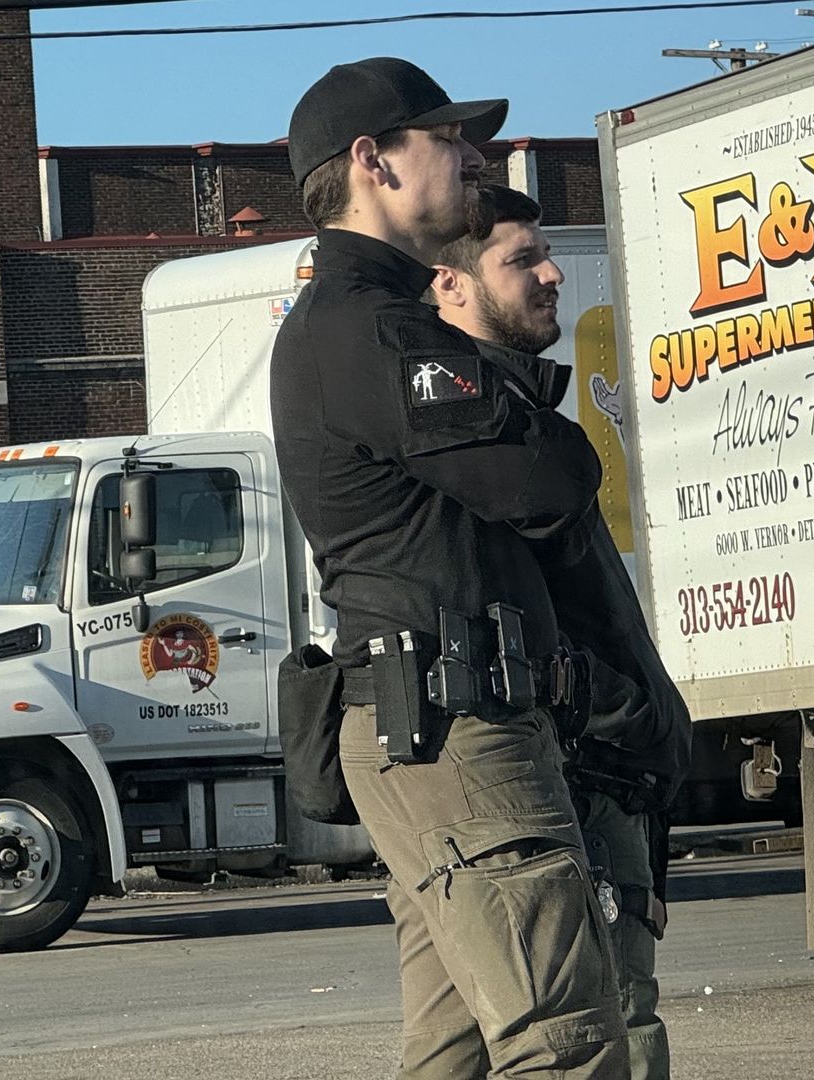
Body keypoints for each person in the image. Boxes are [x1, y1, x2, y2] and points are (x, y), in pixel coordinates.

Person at [269, 59, 627, 1078]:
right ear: (371, 161)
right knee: (566, 1043)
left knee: (457, 1054)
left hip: (435, 727)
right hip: (456, 732)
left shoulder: (381, 323)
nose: (475, 156)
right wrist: (523, 415)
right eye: (447, 137)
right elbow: (551, 478)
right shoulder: (369, 330)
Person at [432, 185, 693, 1080]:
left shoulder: (521, 417)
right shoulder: (468, 439)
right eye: (520, 260)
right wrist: (616, 715)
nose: (551, 274)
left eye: (547, 254)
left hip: (597, 772)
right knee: (602, 1031)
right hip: (559, 780)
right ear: (449, 288)